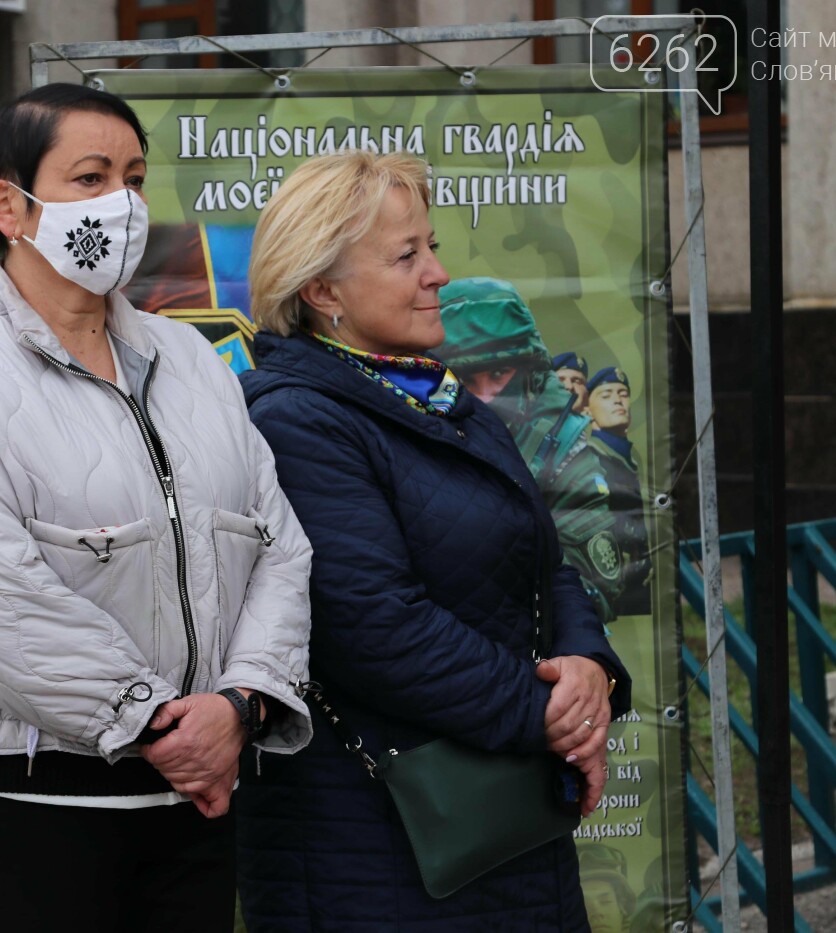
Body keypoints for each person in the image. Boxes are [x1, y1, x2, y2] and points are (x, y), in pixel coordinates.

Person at [0, 83, 313, 933]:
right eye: (91, 177)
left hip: (195, 806)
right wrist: (152, 722)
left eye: (135, 177)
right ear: (10, 204)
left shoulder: (189, 358)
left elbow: (278, 547)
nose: (122, 203)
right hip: (27, 804)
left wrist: (243, 704)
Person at [234, 149, 631, 931]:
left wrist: (589, 671)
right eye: (407, 254)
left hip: (503, 817)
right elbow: (372, 626)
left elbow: (545, 564)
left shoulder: (443, 400)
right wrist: (545, 712)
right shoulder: (292, 418)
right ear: (322, 291)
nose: (439, 273)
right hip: (374, 841)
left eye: (434, 245)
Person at [435, 278, 628, 623]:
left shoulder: (566, 456)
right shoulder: (411, 432)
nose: (487, 395)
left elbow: (596, 592)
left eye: (498, 373)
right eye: (465, 378)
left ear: (529, 374)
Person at [584, 365, 652, 616]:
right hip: (609, 584)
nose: (617, 400)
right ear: (588, 411)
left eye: (623, 394)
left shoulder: (632, 459)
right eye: (606, 394)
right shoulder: (590, 459)